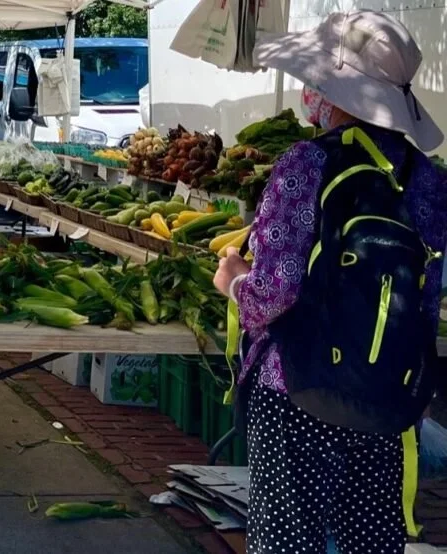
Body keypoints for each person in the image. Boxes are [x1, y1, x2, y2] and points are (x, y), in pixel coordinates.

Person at [213, 12, 447, 554]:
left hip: (297, 387)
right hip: (388, 390)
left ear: (330, 89)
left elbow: (273, 294)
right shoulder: (429, 182)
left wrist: (233, 280)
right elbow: (425, 297)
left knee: (289, 539)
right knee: (368, 539)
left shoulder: (306, 163)